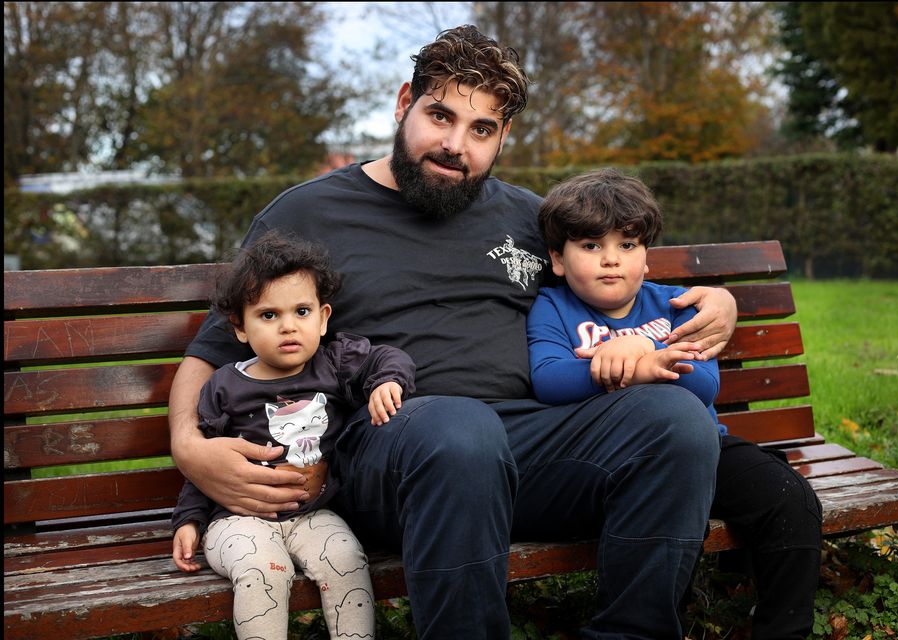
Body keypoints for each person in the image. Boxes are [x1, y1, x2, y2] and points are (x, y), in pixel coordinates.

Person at [168, 25, 739, 639]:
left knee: (674, 421)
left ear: (503, 137)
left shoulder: (529, 218)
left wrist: (721, 304)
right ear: (403, 101)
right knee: (461, 431)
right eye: (440, 115)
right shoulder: (308, 214)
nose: (454, 145)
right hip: (389, 449)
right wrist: (189, 448)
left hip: (527, 443)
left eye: (481, 129)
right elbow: (213, 351)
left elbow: (620, 282)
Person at [528, 169, 823, 639]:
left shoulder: (677, 304)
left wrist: (639, 358)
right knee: (670, 512)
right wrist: (620, 365)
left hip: (705, 446)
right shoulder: (553, 306)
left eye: (627, 245)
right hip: (617, 462)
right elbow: (548, 379)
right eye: (590, 246)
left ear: (646, 258)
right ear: (558, 260)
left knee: (790, 500)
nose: (610, 260)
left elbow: (703, 385)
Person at [170, 231, 416, 640]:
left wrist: (386, 382)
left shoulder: (334, 363)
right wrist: (190, 519)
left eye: (301, 312)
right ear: (241, 328)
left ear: (322, 318)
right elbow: (203, 461)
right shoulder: (223, 387)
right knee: (264, 569)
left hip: (314, 513)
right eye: (269, 315)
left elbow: (388, 357)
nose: (288, 327)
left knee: (347, 559)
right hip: (238, 519)